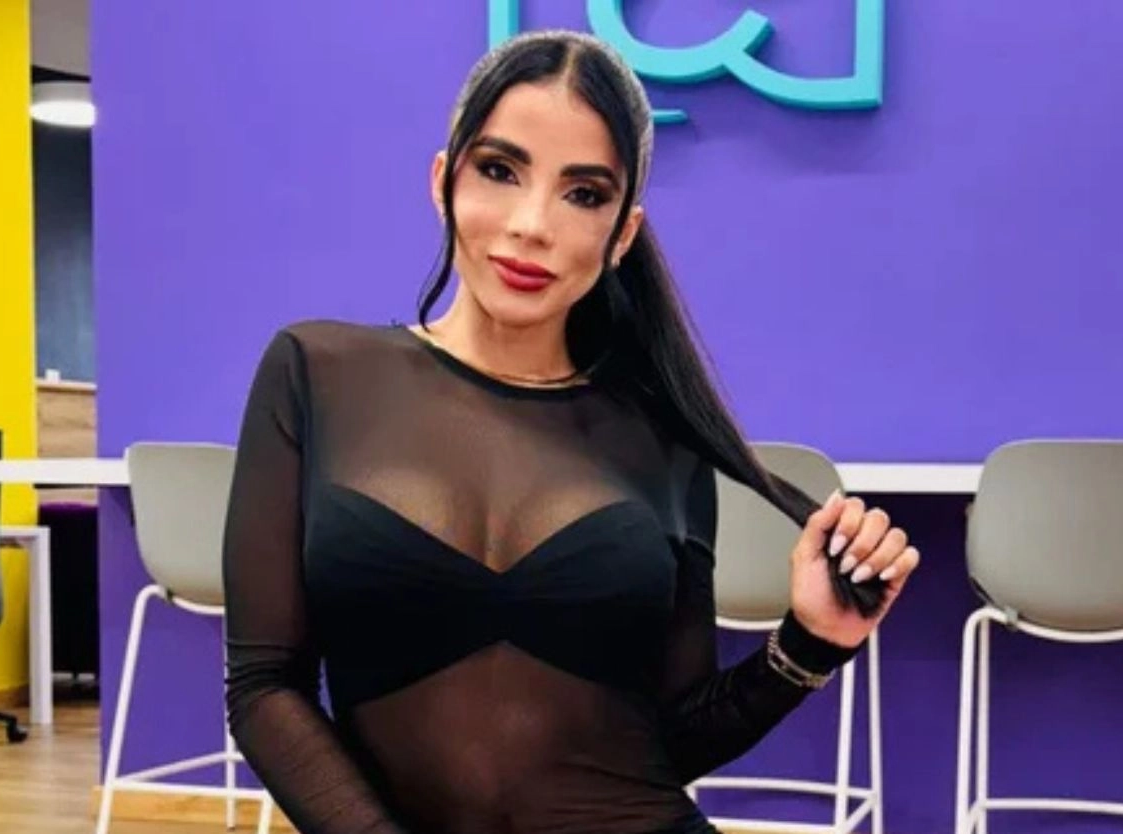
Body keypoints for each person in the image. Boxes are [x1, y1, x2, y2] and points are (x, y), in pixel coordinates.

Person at [221, 29, 921, 834]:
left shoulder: (661, 436)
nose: (532, 225)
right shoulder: (317, 371)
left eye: (583, 194)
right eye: (500, 170)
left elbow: (663, 744)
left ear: (622, 234)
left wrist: (811, 645)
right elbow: (265, 686)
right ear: (444, 180)